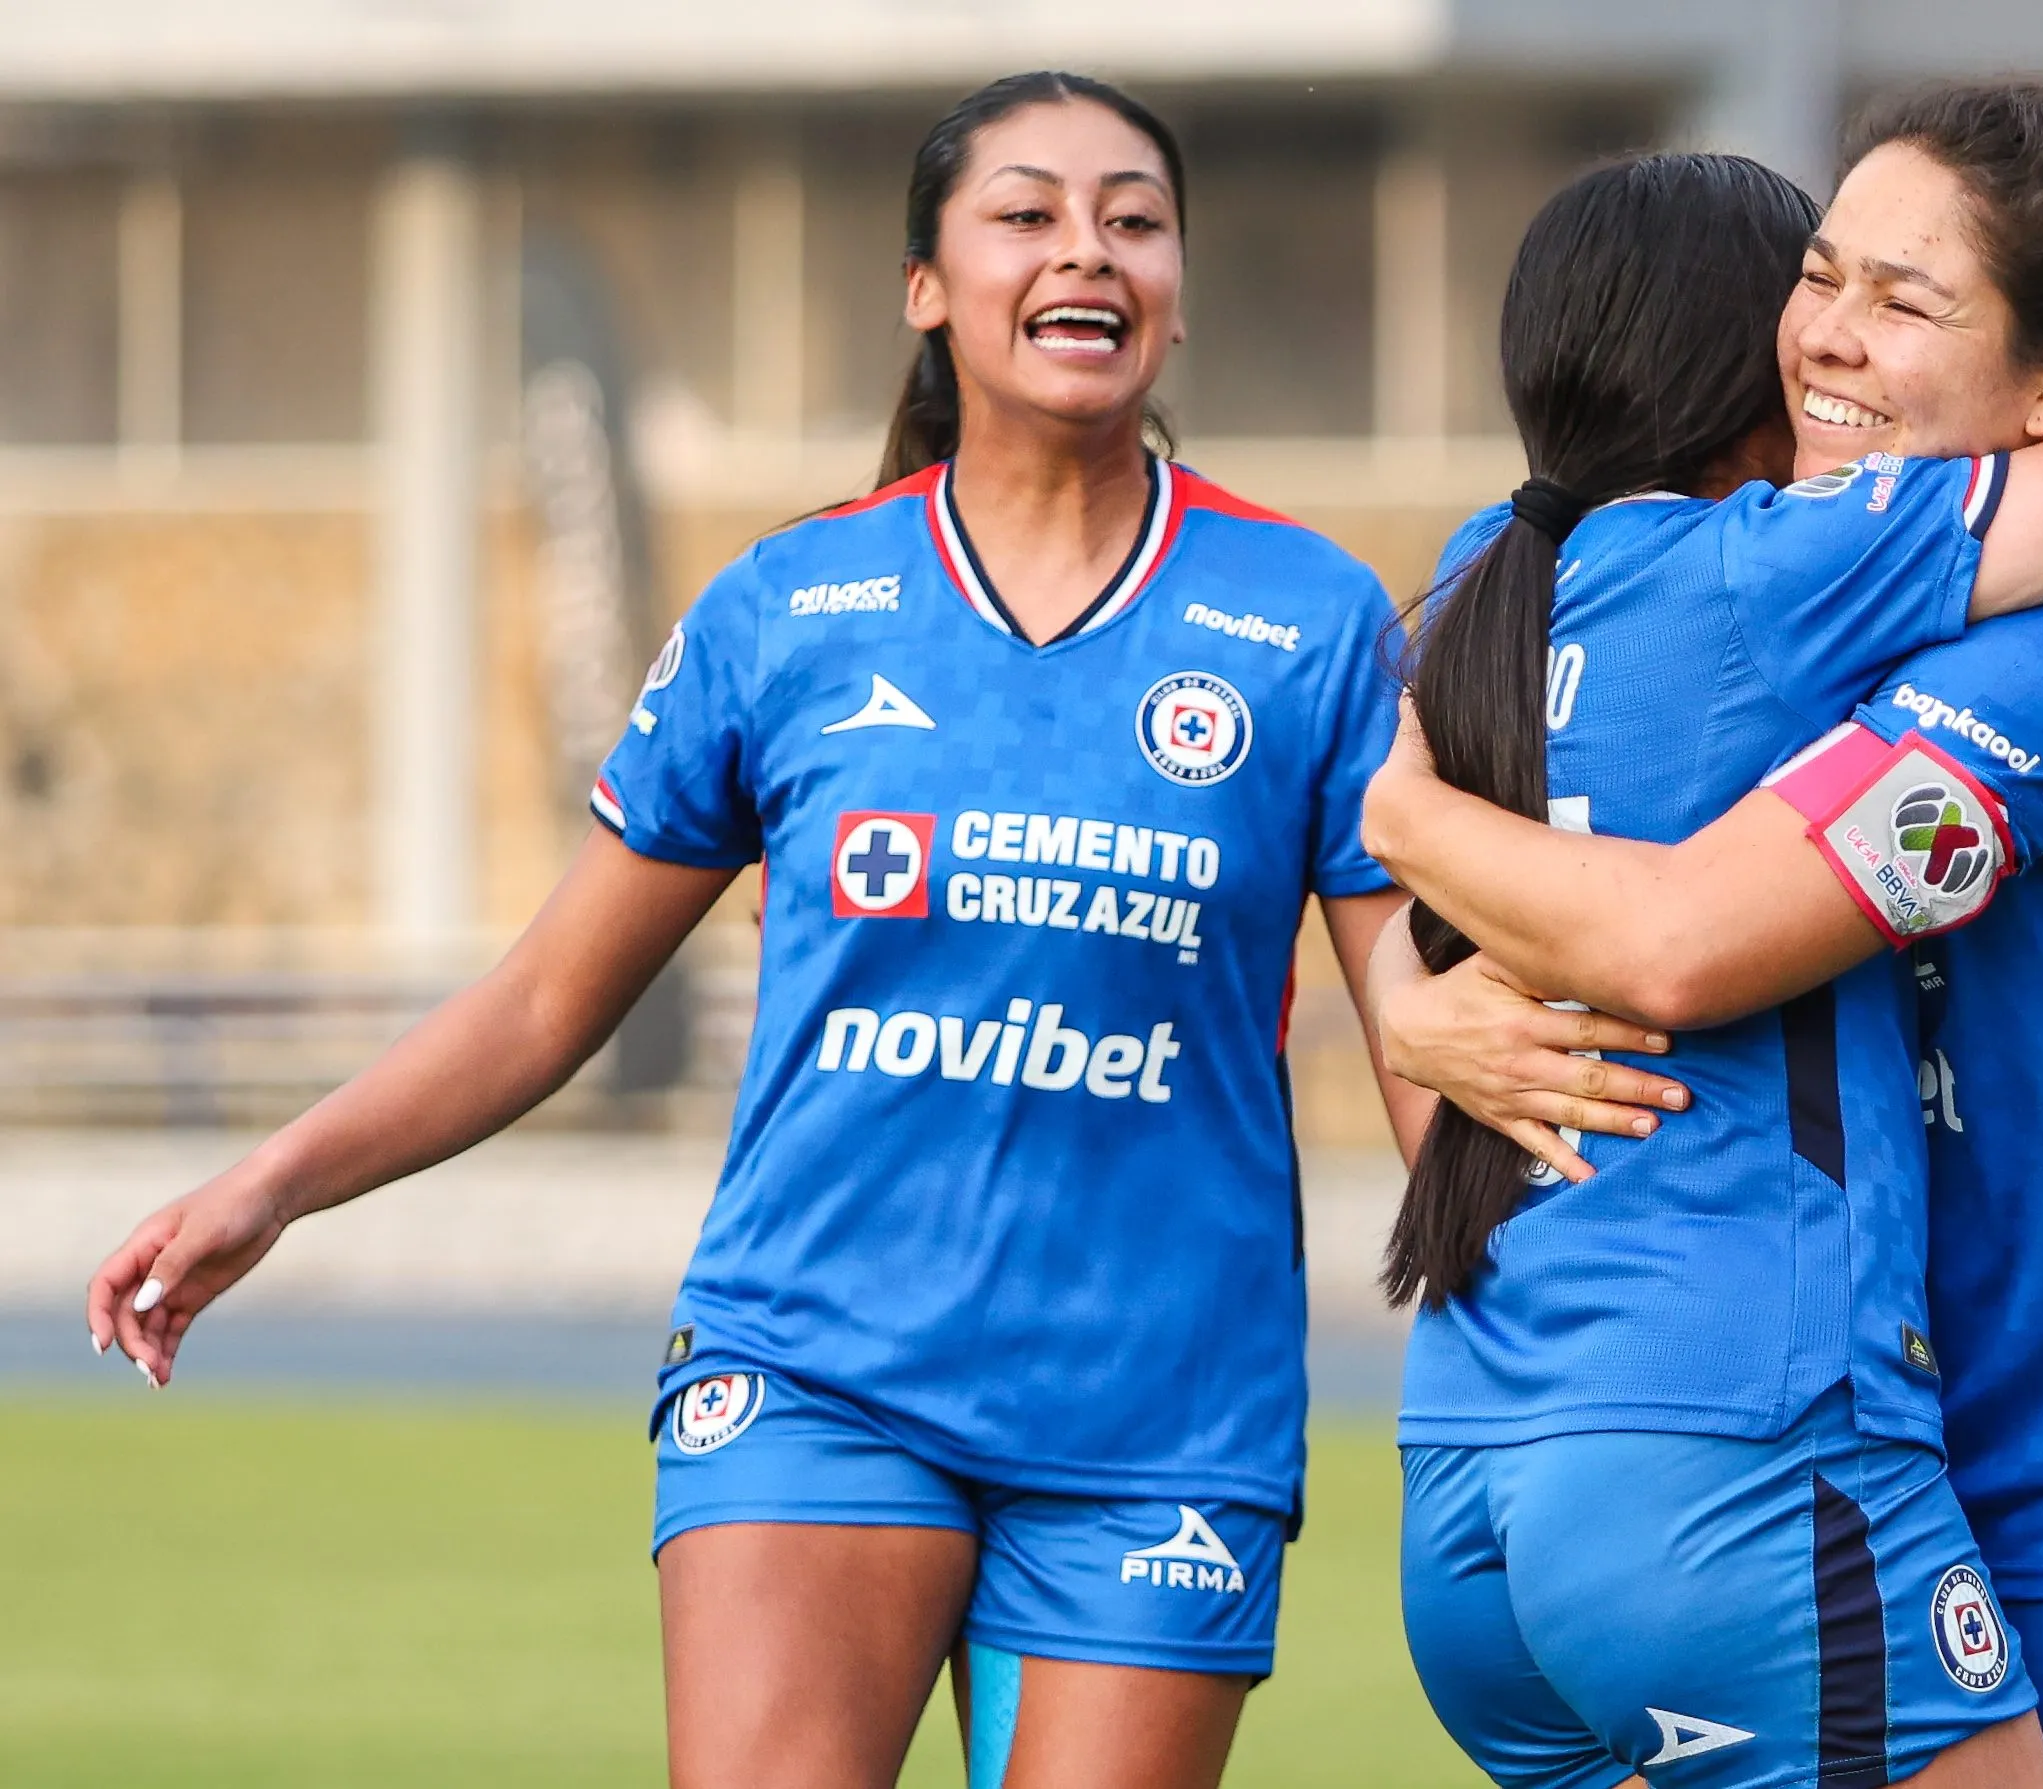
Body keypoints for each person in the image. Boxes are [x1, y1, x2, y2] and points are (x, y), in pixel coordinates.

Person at [83, 71, 1433, 1789]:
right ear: (925, 290)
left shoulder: (1306, 621)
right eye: (1025, 214)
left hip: (1160, 1413)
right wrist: (266, 1184)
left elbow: (1423, 1042)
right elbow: (546, 998)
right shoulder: (788, 610)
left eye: (1135, 219)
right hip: (815, 1378)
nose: (1085, 250)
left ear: (1176, 283)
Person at [1364, 84, 2043, 1788]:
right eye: (1820, 276)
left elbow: (1675, 936)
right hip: (1829, 1455)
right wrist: (1408, 991)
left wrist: (1410, 843)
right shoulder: (1790, 587)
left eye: (1908, 301)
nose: (1826, 339)